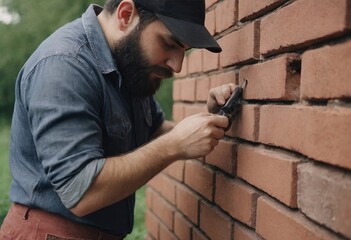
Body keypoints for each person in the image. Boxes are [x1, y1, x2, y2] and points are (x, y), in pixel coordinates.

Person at [0, 0, 236, 239]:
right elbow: (80, 190)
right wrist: (175, 145)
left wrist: (209, 120)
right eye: (169, 43)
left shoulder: (129, 65)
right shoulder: (65, 64)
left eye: (184, 51)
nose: (177, 66)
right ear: (125, 15)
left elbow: (155, 132)